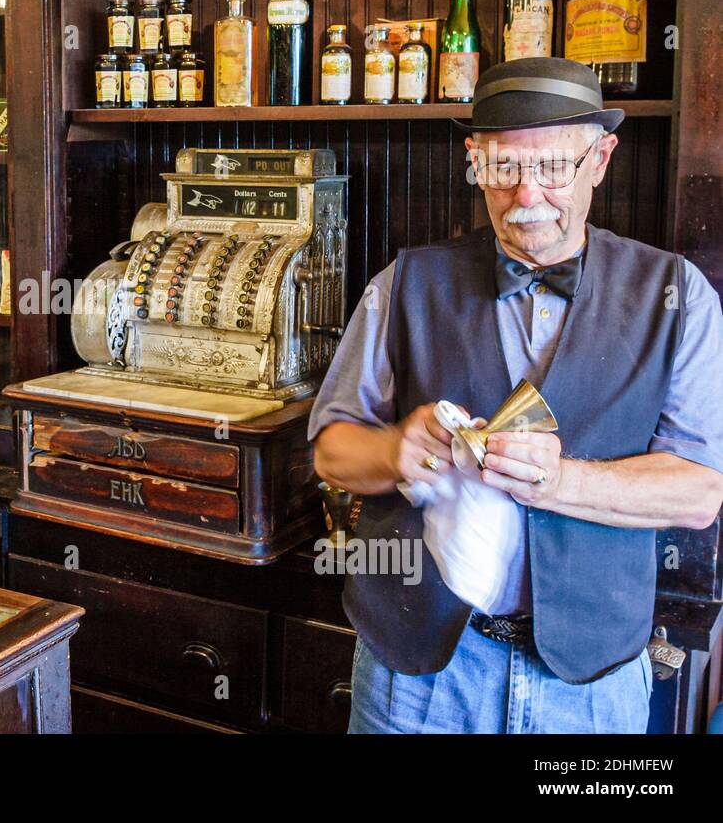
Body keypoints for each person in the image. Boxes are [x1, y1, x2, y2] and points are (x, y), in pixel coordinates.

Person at [309, 57, 723, 733]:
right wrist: (393, 450)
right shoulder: (405, 283)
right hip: (417, 679)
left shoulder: (677, 299)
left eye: (555, 167)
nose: (527, 195)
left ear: (601, 159)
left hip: (590, 691)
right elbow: (332, 453)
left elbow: (699, 493)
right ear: (475, 161)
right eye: (502, 168)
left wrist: (557, 481)